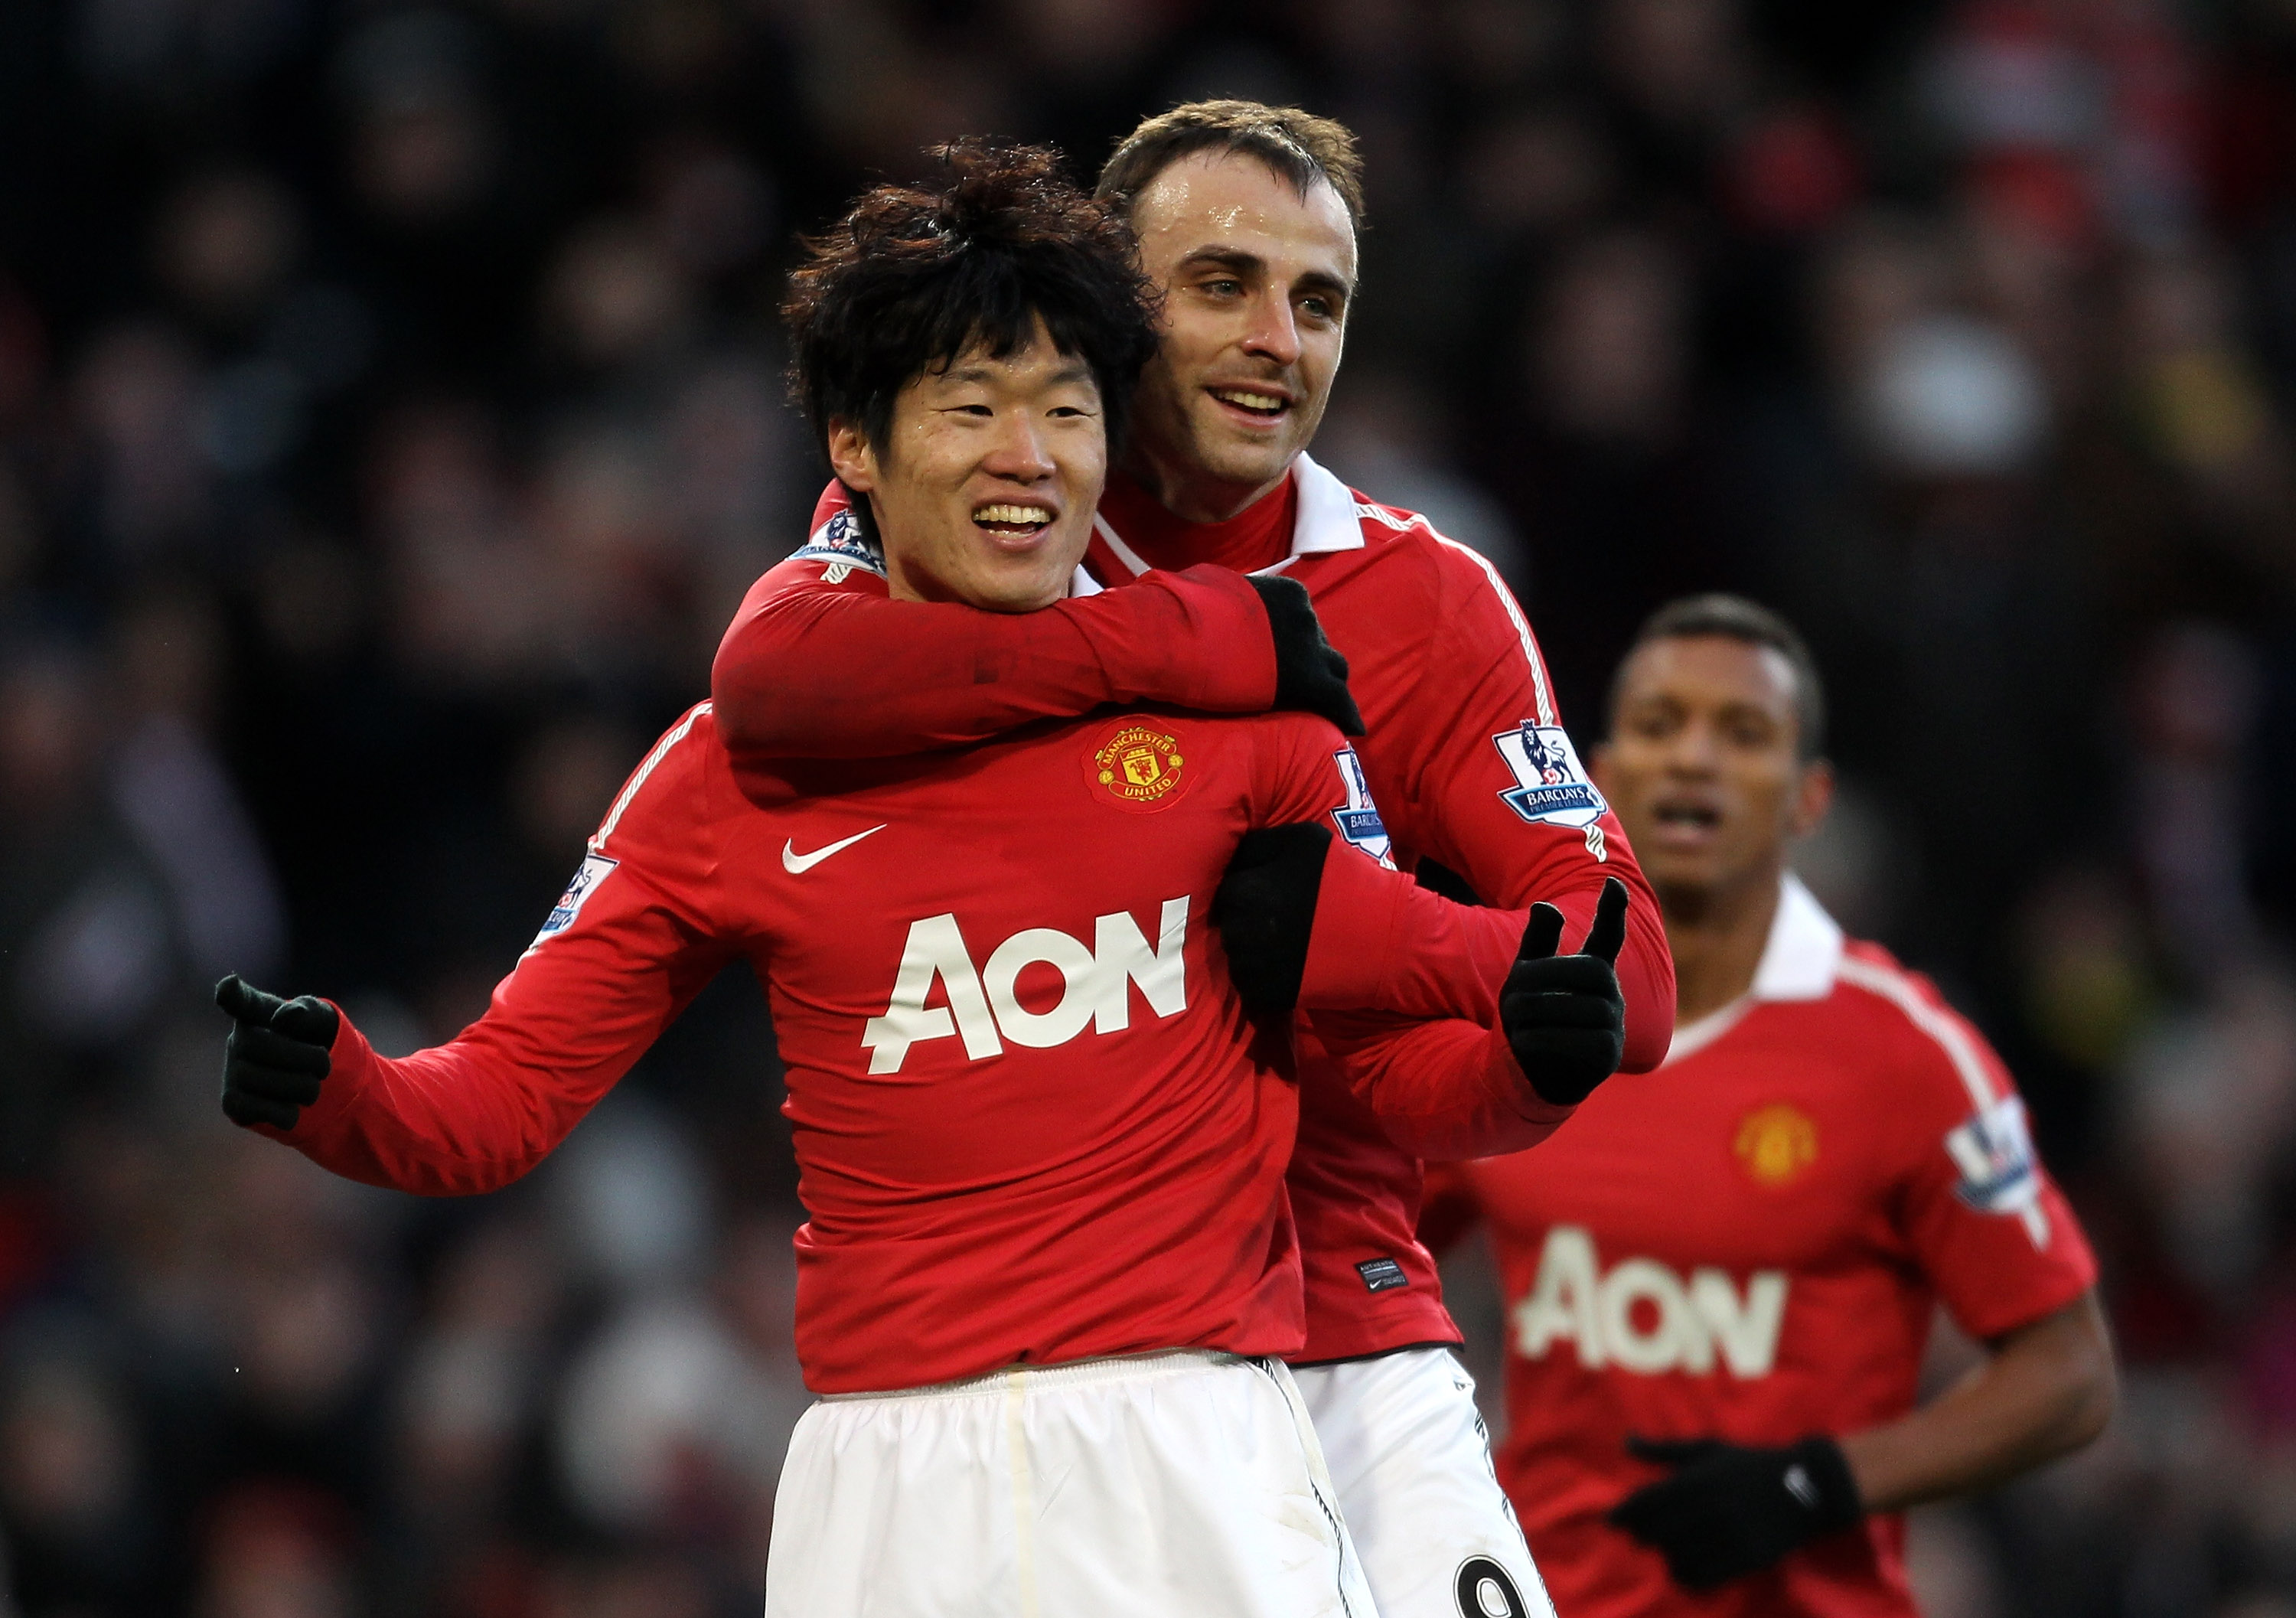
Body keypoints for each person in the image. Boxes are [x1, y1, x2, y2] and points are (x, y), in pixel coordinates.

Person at [213, 142, 1637, 1616]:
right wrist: (341, 1096)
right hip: (883, 1486)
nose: (1027, 456)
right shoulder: (734, 769)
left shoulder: (1243, 728)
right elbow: (500, 1097)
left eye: (1068, 411)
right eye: (971, 409)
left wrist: (1531, 1010)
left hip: (1195, 1437)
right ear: (856, 446)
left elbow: (1395, 985)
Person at [709, 101, 1677, 1618]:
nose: (1273, 340)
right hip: (1049, 1373)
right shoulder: (987, 527)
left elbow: (1627, 975)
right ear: (1106, 300)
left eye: (1317, 302)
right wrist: (1188, 637)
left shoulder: (1430, 602)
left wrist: (1384, 949)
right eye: (1220, 283)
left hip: (1349, 1344)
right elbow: (768, 684)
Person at [1420, 595, 2118, 1617]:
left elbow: (2071, 1373)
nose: (1694, 759)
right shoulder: (1521, 1015)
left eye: (1744, 734)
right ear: (1601, 780)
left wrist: (1823, 1482)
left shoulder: (1908, 1056)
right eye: (1661, 726)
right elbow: (1371, 1244)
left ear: (1809, 797)